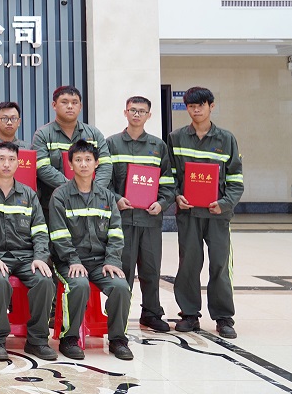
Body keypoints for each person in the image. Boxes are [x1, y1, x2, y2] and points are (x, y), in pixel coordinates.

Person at [0, 141, 56, 361]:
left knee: (45, 281)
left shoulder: (29, 194)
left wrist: (40, 257)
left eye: (11, 159)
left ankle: (37, 340)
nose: (6, 164)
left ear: (18, 163)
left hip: (26, 257)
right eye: (1, 159)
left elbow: (40, 230)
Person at [169, 86, 244, 339]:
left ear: (211, 106)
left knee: (220, 265)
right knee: (188, 264)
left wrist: (225, 203)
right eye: (191, 106)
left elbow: (236, 179)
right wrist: (177, 196)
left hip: (218, 215)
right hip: (188, 214)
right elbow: (170, 176)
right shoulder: (176, 138)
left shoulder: (226, 139)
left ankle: (223, 317)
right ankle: (189, 314)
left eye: (201, 105)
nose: (196, 110)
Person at [47, 140, 133, 361]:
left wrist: (112, 260)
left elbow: (116, 233)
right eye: (78, 160)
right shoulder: (60, 196)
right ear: (70, 164)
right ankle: (69, 338)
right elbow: (58, 234)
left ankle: (118, 339)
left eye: (88, 160)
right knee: (79, 284)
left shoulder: (107, 197)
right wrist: (73, 260)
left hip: (101, 262)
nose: (83, 164)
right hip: (69, 262)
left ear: (96, 163)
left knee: (121, 287)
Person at [106, 96, 176, 333]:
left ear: (149, 115)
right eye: (133, 110)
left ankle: (151, 313)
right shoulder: (111, 144)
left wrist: (162, 203)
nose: (137, 114)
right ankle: (119, 315)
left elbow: (167, 182)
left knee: (151, 269)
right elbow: (104, 180)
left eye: (142, 111)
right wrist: (116, 199)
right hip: (121, 219)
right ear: (125, 112)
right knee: (122, 270)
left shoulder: (158, 146)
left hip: (150, 219)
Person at [33, 86, 112, 212]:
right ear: (54, 105)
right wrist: (72, 188)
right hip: (55, 205)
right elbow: (43, 168)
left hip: (91, 204)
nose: (70, 106)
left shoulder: (94, 134)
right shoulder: (43, 134)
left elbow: (105, 165)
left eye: (75, 103)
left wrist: (93, 189)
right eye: (64, 102)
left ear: (80, 106)